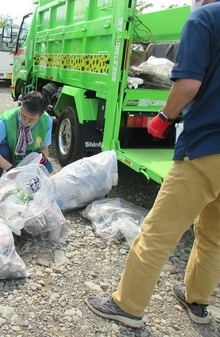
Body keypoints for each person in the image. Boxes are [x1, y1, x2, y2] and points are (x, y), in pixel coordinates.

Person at [85, 0, 220, 328]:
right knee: (215, 233)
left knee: (158, 232)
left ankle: (128, 306)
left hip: (206, 148)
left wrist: (163, 117)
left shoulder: (205, 18)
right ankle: (197, 301)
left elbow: (188, 85)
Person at [0, 91, 53, 192]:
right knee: (1, 150)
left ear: (40, 116)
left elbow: (45, 149)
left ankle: (31, 194)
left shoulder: (46, 121)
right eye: (23, 116)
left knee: (45, 166)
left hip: (28, 159)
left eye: (31, 119)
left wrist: (41, 158)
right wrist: (12, 170)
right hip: (8, 158)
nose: (26, 121)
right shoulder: (6, 120)